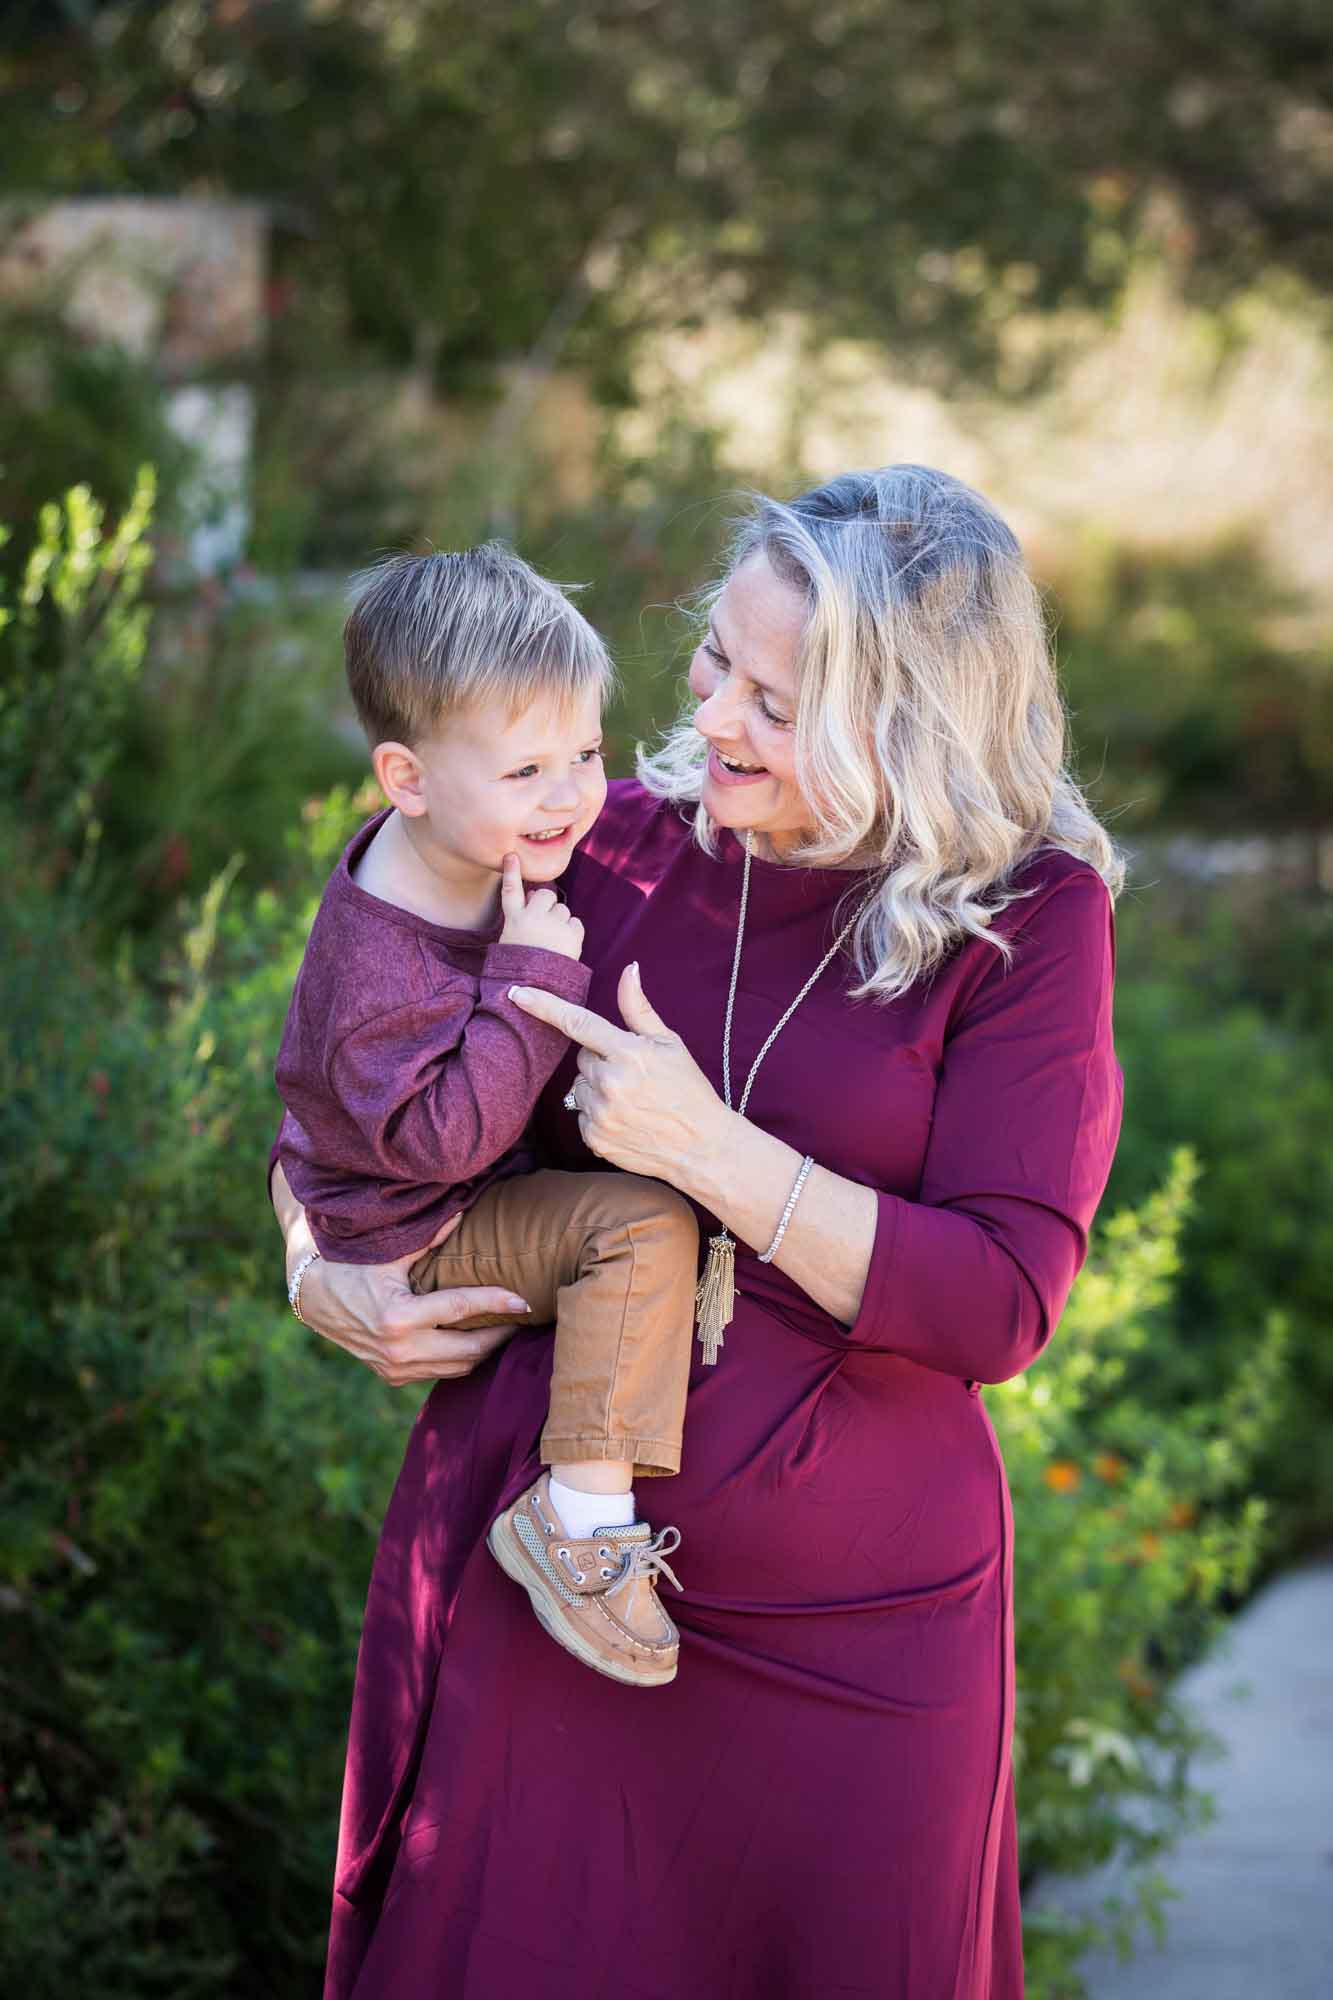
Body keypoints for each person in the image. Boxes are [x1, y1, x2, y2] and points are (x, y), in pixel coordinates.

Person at [272, 464, 1126, 1999]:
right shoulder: (589, 837)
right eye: (716, 662)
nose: (716, 717)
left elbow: (997, 1302)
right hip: (552, 1607)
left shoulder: (1030, 917)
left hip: (856, 1647)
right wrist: (312, 1264)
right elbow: (348, 1070)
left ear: (916, 722)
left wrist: (713, 1157)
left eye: (778, 701)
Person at [275, 543, 698, 1690]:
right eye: (526, 772)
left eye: (588, 752)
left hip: (423, 1189)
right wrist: (535, 978)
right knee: (637, 1230)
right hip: (416, 1224)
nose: (571, 796)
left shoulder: (454, 852)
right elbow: (443, 1138)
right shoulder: (384, 950)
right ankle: (579, 1527)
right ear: (406, 776)